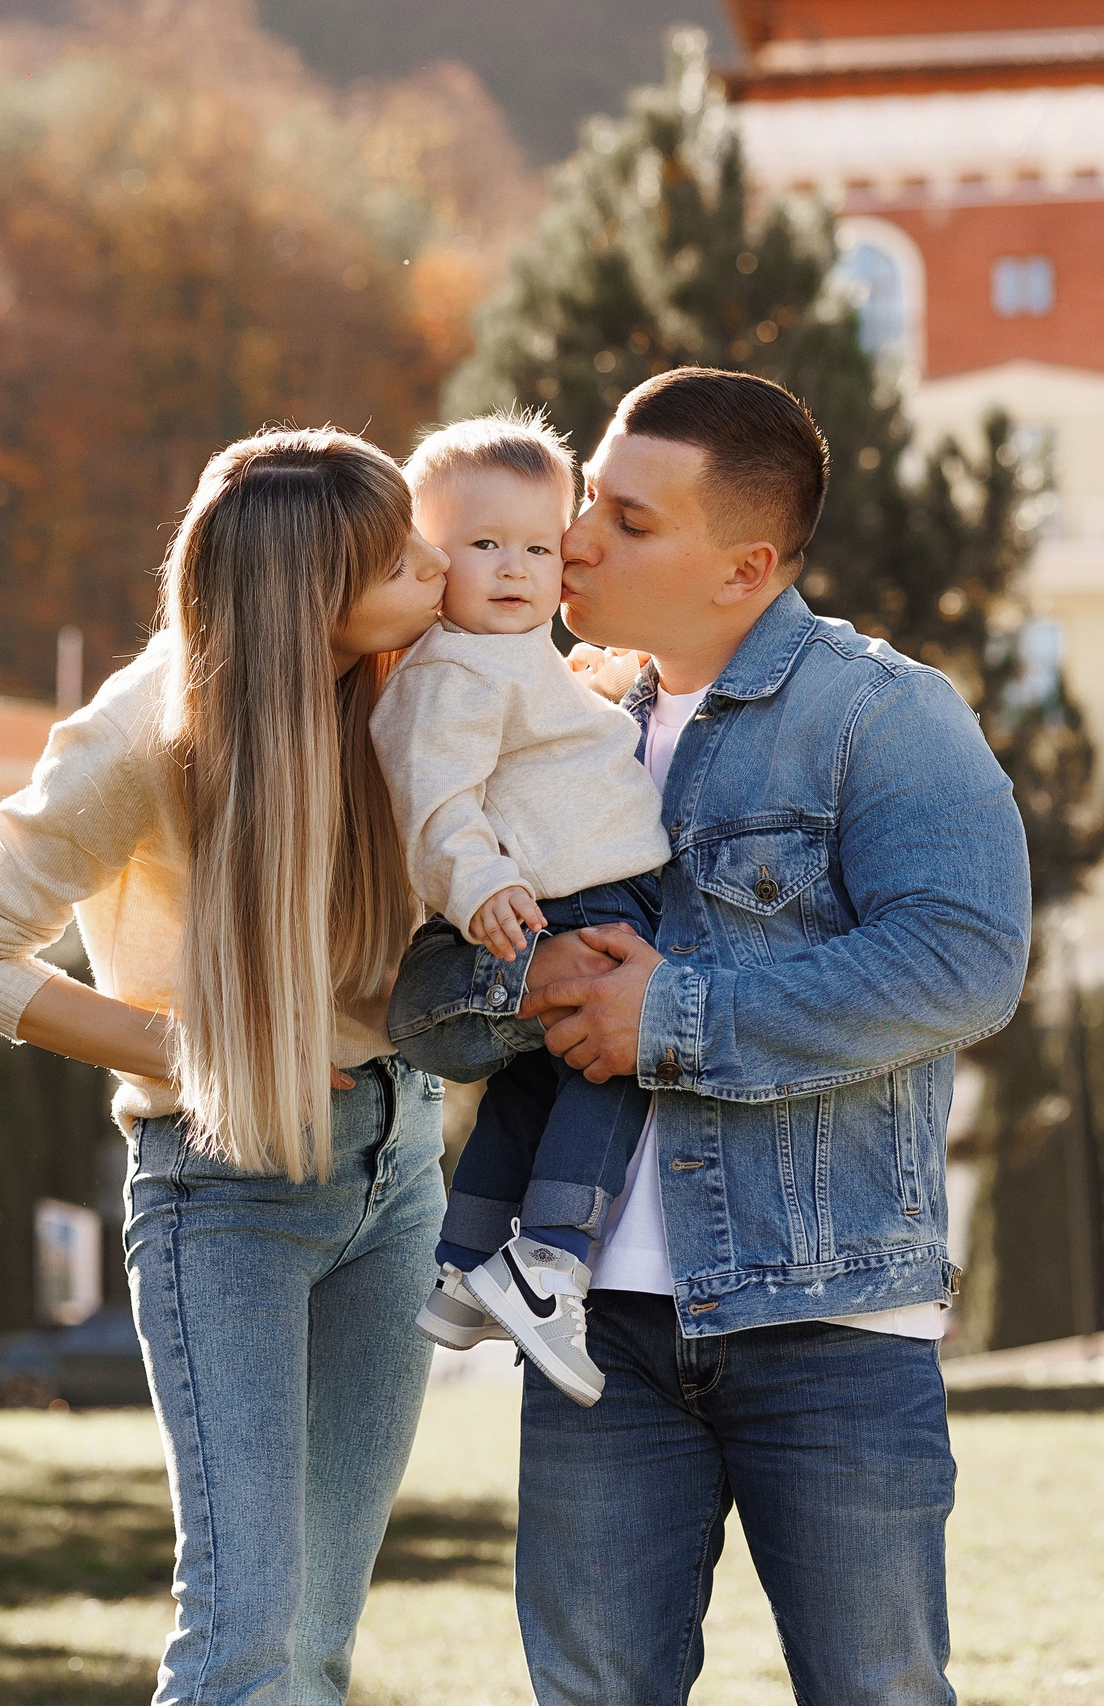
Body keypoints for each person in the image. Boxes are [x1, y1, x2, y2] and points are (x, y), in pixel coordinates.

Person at [387, 369, 1031, 1705]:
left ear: (744, 565)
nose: (574, 543)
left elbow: (964, 962)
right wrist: (537, 980)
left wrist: (668, 1015)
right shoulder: (536, 712)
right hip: (593, 1342)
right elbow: (419, 1005)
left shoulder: (883, 716)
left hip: (833, 1318)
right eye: (586, 509)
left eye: (626, 520)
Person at [0, 428, 453, 1706]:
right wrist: (206, 1054)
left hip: (401, 1170)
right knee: (242, 1638)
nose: (435, 565)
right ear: (306, 594)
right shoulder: (135, 738)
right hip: (225, 1197)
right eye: (398, 557)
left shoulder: (399, 679)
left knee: (318, 1641)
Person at [368, 412, 671, 1406]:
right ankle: (549, 1258)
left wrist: (596, 688)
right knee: (617, 1066)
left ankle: (464, 1260)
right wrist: (479, 883)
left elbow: (541, 735)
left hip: (575, 884)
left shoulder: (510, 656)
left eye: (536, 546)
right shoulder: (453, 666)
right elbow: (434, 794)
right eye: (482, 544)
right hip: (573, 895)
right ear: (426, 558)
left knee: (535, 1088)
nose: (513, 567)